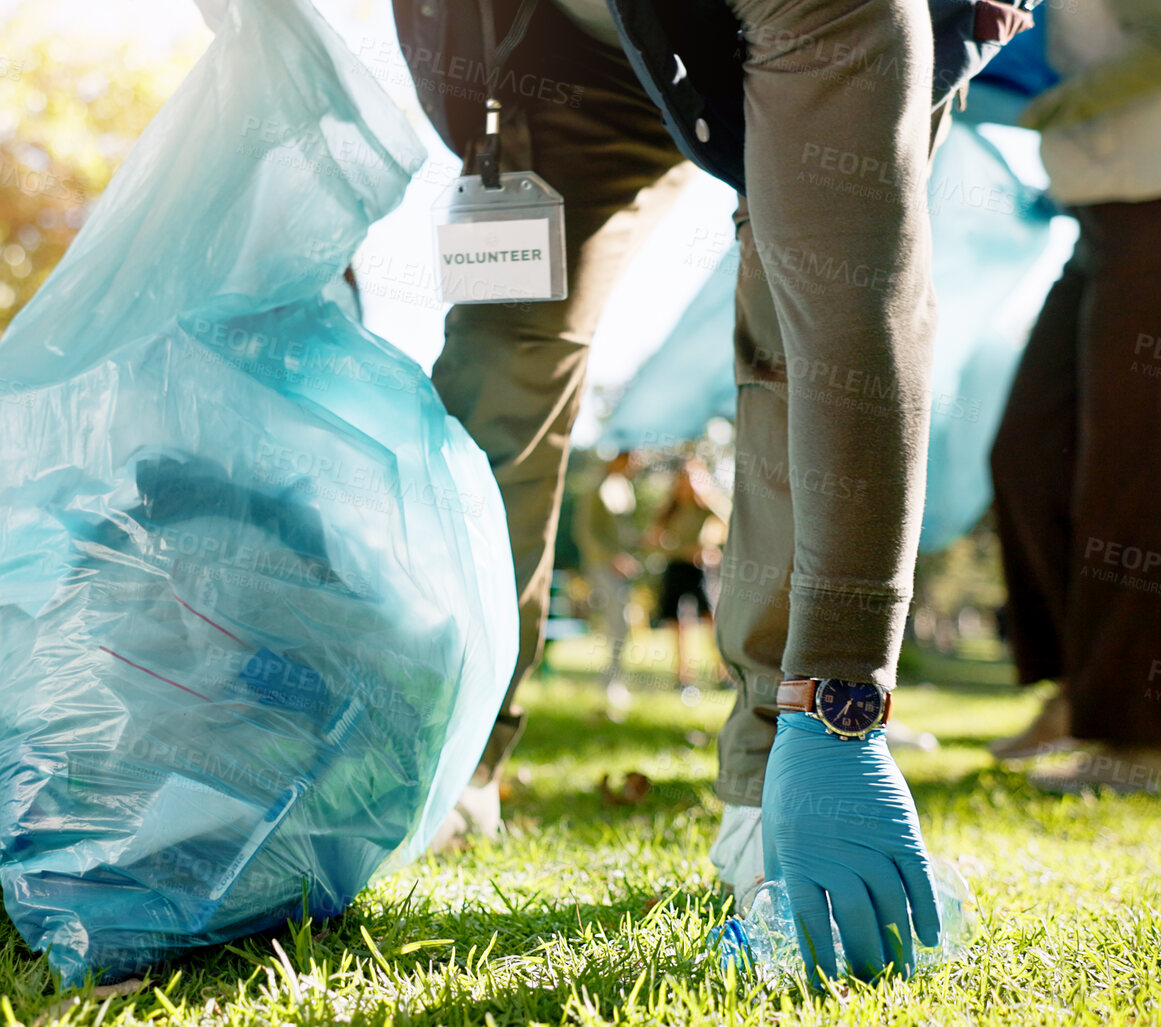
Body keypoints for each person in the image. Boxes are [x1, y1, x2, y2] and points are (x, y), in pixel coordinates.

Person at [397, 0, 975, 983]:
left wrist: (836, 699)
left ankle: (769, 772)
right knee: (502, 362)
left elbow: (853, 315)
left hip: (816, 34)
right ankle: (444, 750)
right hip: (561, 48)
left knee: (795, 331)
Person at [986, 0, 1161, 794]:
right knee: (1028, 452)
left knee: (1127, 470)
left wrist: (1044, 107)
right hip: (1107, 223)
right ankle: (1081, 694)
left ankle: (1152, 747)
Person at [645, 456, 728, 688]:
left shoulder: (705, 508)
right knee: (678, 623)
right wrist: (672, 546)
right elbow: (653, 537)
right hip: (675, 568)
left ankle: (722, 673)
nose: (685, 484)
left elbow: (729, 524)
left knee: (711, 620)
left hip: (700, 570)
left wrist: (711, 551)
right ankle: (683, 676)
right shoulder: (669, 510)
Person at [572, 450, 642, 715]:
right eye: (632, 458)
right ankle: (609, 683)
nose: (636, 464)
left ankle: (615, 679)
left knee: (622, 624)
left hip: (623, 566)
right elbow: (586, 531)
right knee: (616, 621)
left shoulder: (624, 487)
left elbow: (624, 532)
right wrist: (611, 558)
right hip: (603, 566)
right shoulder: (596, 487)